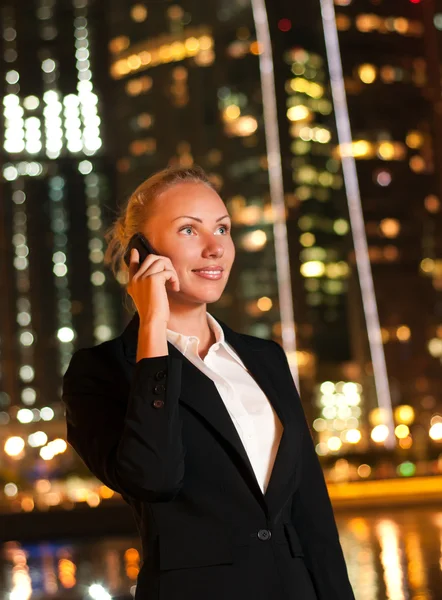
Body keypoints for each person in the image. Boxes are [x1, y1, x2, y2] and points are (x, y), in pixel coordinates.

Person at [62, 165, 355, 600]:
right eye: (188, 230)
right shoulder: (101, 371)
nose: (216, 247)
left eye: (223, 228)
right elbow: (154, 478)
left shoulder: (264, 358)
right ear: (140, 253)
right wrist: (153, 328)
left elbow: (312, 512)